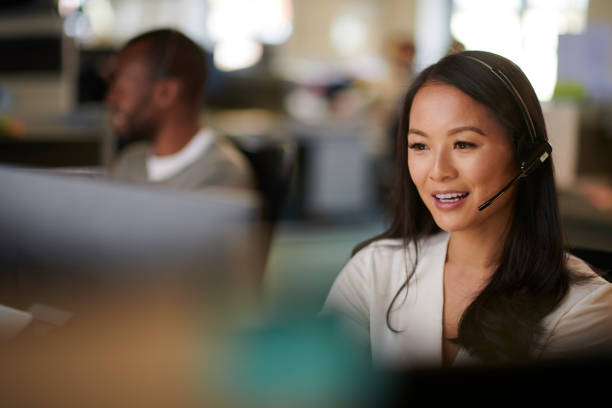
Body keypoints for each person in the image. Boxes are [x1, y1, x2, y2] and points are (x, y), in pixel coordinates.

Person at [323, 50, 612, 369]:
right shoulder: (374, 270)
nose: (437, 171)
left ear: (527, 156)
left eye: (463, 144)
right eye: (420, 146)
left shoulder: (588, 307)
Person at [105, 28, 255, 192]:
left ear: (166, 93)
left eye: (121, 89)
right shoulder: (129, 163)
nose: (110, 99)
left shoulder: (222, 175)